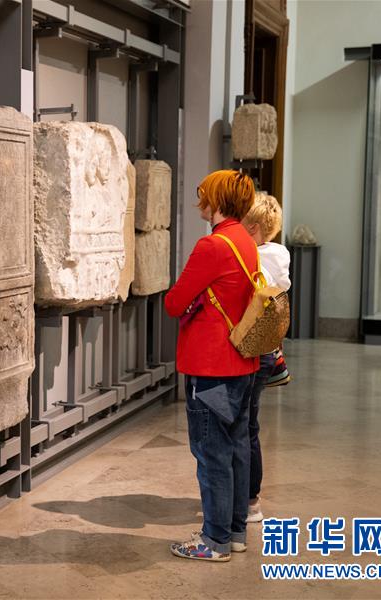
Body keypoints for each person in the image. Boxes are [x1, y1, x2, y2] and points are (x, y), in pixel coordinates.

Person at [165, 170, 259, 562]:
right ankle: (235, 532)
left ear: (217, 201)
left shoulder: (212, 245)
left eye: (203, 194)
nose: (199, 201)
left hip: (211, 365)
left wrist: (195, 300)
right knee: (236, 447)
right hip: (243, 361)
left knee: (212, 452)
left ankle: (214, 540)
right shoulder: (245, 241)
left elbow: (173, 302)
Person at [240, 192, 291, 523]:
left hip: (251, 352)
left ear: (253, 228)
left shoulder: (255, 260)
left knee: (244, 426)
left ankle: (249, 501)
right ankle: (249, 499)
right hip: (268, 352)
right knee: (250, 424)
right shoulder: (279, 256)